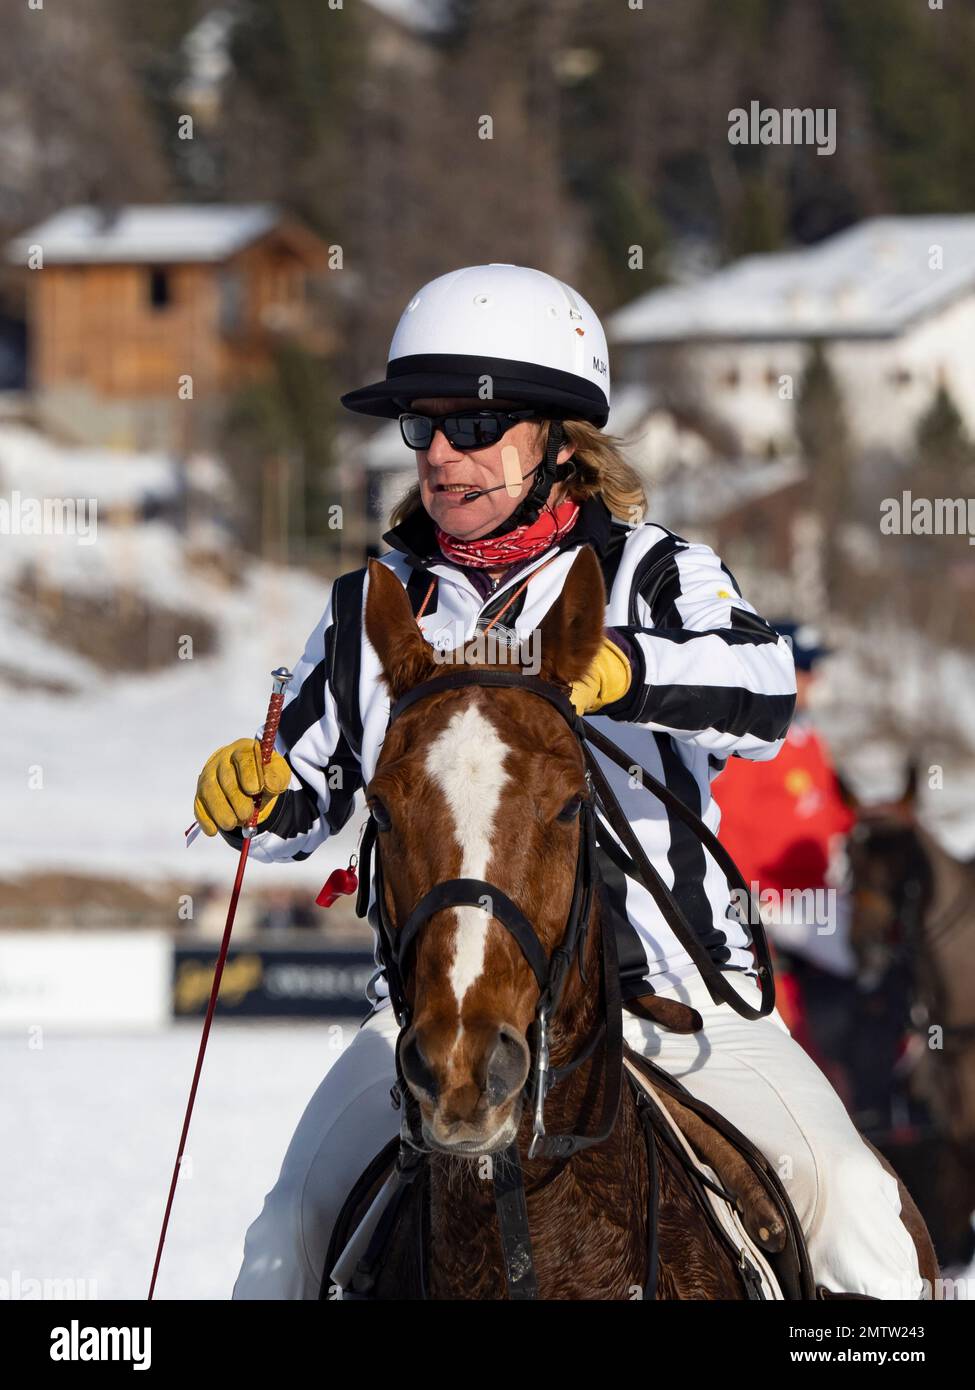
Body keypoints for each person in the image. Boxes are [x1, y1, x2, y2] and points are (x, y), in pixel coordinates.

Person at [193, 264, 923, 1300]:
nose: (441, 454)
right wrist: (252, 794)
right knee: (282, 1245)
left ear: (559, 441)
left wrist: (629, 667)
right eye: (422, 427)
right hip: (435, 1016)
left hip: (680, 1008)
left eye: (473, 427)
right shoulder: (372, 601)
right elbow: (302, 793)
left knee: (860, 1223)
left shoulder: (657, 571)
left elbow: (765, 694)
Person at [711, 623, 858, 1098]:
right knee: (864, 957)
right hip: (771, 901)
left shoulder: (810, 738)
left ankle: (893, 1061)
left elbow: (835, 816)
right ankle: (840, 1067)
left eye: (816, 669)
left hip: (820, 894)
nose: (815, 680)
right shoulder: (756, 744)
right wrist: (748, 905)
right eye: (805, 669)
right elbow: (728, 824)